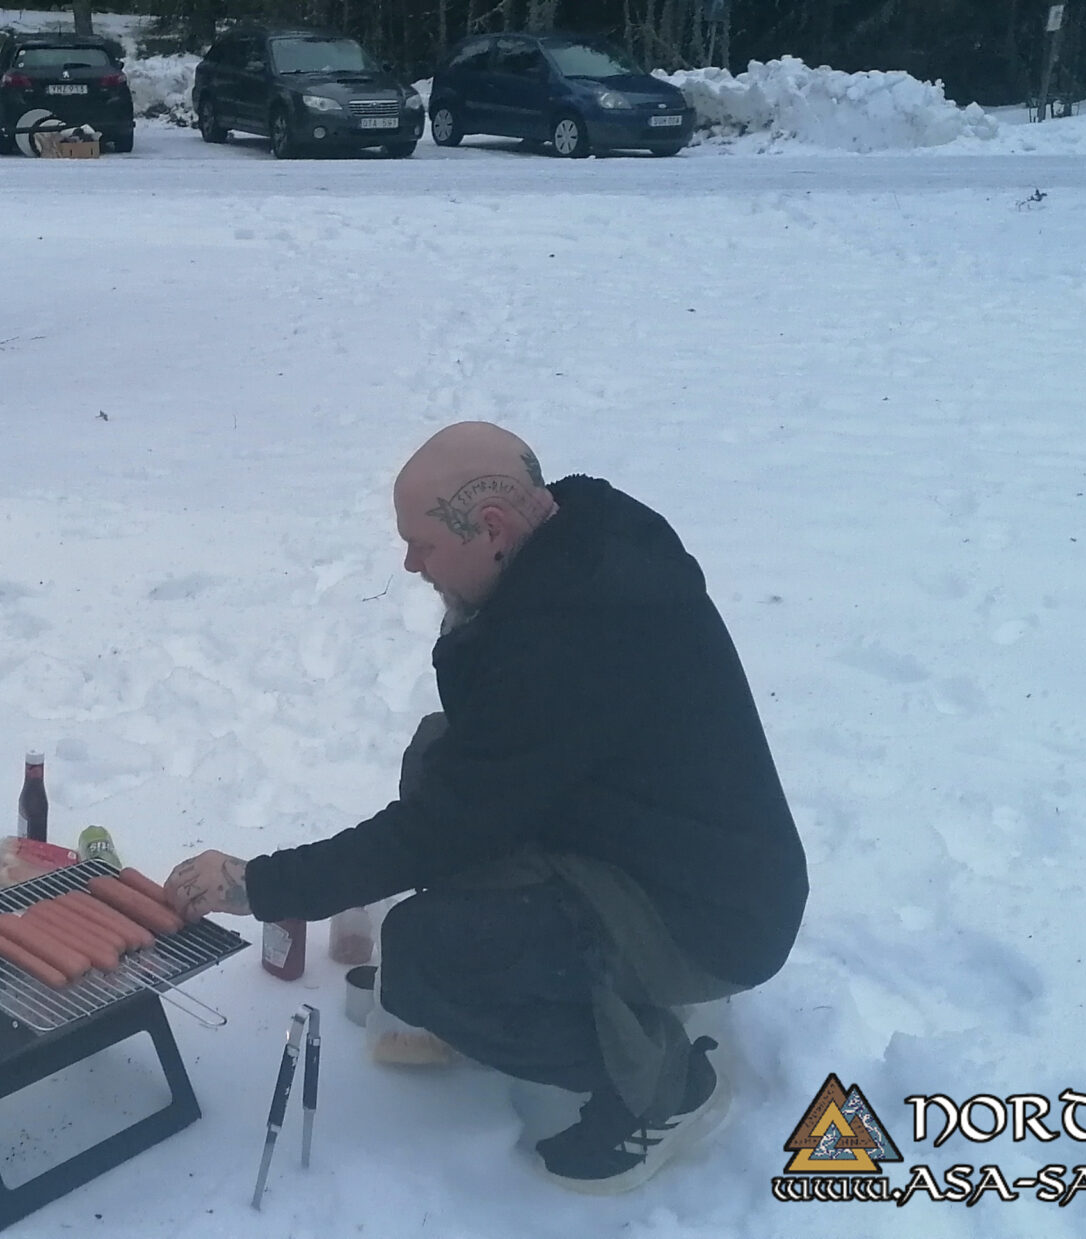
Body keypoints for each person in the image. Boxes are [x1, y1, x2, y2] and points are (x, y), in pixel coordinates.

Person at [167, 422, 807, 1192]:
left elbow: (434, 831)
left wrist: (255, 884)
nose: (410, 563)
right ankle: (577, 981)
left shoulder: (565, 645)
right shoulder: (583, 539)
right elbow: (475, 773)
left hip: (711, 915)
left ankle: (661, 1082)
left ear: (494, 528)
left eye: (424, 544)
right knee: (439, 752)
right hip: (673, 841)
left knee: (426, 960)